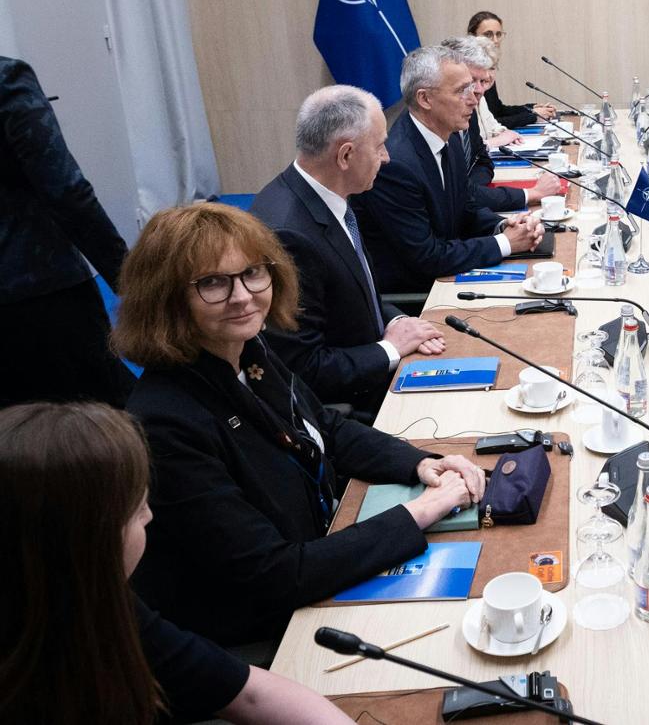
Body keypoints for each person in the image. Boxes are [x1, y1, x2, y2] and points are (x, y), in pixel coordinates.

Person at [114, 203, 486, 647]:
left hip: (322, 548)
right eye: (212, 283)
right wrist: (423, 510)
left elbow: (324, 427)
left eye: (253, 272)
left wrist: (421, 464)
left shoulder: (246, 351)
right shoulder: (165, 423)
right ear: (166, 297)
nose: (242, 296)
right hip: (267, 625)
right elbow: (276, 575)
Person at [0, 400, 354, 724]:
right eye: (138, 510)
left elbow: (248, 693)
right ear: (87, 538)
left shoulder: (96, 600)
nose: (151, 517)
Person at [250, 85, 446, 412]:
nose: (386, 157)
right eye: (380, 146)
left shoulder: (328, 195)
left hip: (376, 368)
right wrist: (390, 350)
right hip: (358, 405)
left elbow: (355, 290)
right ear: (345, 155)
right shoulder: (288, 235)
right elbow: (304, 369)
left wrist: (396, 323)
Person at [0, 55, 135, 408]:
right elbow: (67, 193)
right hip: (37, 293)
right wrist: (133, 281)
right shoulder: (6, 79)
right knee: (102, 429)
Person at [353, 43, 543, 294]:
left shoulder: (449, 137)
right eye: (462, 89)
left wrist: (504, 226)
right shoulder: (396, 164)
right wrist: (504, 243)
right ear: (425, 98)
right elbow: (427, 256)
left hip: (448, 273)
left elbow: (465, 209)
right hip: (419, 296)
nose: (475, 96)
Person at [442, 35, 562, 212]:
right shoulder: (443, 125)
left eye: (482, 81)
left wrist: (471, 190)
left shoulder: (467, 108)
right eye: (468, 84)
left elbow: (482, 161)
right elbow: (458, 197)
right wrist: (530, 194)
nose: (478, 91)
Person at [469, 10, 554, 128]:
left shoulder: (488, 67)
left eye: (498, 34)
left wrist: (531, 108)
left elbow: (496, 110)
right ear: (472, 36)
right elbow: (489, 125)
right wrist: (532, 116)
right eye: (488, 34)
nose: (495, 40)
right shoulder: (471, 71)